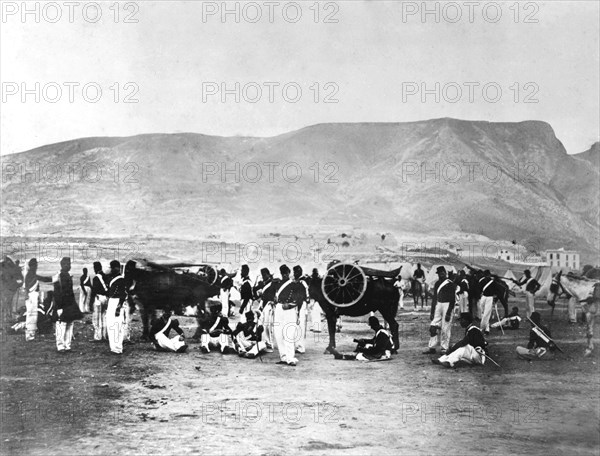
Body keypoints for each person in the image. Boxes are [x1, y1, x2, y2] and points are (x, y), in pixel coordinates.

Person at [273, 264, 307, 366]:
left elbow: (300, 299)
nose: (284, 275)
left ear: (289, 273)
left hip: (289, 309)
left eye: (286, 273)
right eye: (282, 273)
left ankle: (290, 358)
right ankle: (283, 357)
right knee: (278, 333)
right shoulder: (278, 284)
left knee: (289, 333)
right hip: (279, 308)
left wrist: (290, 305)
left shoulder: (295, 284)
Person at [53, 257, 83, 352]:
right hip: (62, 304)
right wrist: (59, 307)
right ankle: (60, 345)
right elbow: (57, 293)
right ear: (62, 265)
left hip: (70, 304)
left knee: (70, 323)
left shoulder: (69, 276)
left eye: (69, 264)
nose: (68, 266)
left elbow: (70, 292)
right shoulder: (58, 276)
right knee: (61, 324)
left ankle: (67, 345)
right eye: (66, 264)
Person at [423, 266, 456, 355]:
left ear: (445, 273)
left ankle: (444, 348)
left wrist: (449, 312)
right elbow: (434, 298)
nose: (441, 274)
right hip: (439, 305)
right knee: (432, 327)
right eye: (439, 273)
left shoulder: (450, 284)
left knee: (445, 328)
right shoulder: (437, 283)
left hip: (447, 305)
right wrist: (432, 311)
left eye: (442, 272)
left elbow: (453, 299)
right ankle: (432, 347)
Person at [23, 258, 52, 341]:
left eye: (36, 265)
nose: (36, 267)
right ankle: (29, 335)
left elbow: (43, 279)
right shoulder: (30, 274)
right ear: (32, 266)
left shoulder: (31, 274)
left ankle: (31, 334)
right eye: (35, 265)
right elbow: (27, 287)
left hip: (33, 296)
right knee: (31, 315)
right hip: (31, 296)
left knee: (33, 315)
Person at [105, 260, 127, 355]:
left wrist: (119, 307)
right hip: (113, 301)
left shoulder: (121, 279)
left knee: (115, 325)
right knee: (113, 325)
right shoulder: (113, 278)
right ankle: (116, 347)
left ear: (116, 268)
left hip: (117, 302)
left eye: (112, 268)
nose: (111, 270)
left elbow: (123, 294)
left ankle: (116, 348)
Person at [255, 267, 279, 352]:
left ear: (268, 274)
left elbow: (277, 294)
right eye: (262, 275)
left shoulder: (274, 283)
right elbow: (257, 293)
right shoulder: (263, 283)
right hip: (263, 304)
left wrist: (275, 302)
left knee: (268, 325)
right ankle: (264, 342)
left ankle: (269, 344)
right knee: (262, 324)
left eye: (264, 275)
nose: (263, 276)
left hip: (269, 305)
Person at [89, 261, 108, 341]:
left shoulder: (96, 278)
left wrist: (90, 302)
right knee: (104, 317)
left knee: (96, 318)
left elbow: (94, 291)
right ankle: (104, 335)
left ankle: (98, 337)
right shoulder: (106, 276)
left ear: (95, 268)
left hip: (98, 299)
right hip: (106, 298)